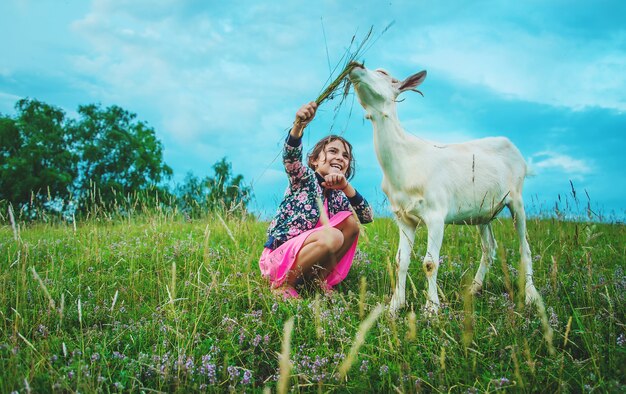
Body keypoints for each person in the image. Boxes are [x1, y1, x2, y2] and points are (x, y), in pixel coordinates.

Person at [259, 101, 374, 299]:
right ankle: (283, 285)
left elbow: (367, 216)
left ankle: (316, 281)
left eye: (346, 156)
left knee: (350, 223)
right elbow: (291, 159)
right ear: (314, 160)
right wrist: (299, 126)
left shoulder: (338, 196)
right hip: (279, 260)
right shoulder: (304, 179)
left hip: (305, 260)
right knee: (333, 236)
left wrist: (346, 188)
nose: (340, 158)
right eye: (333, 151)